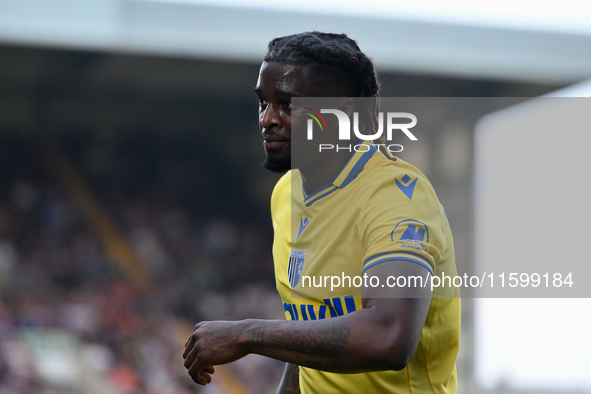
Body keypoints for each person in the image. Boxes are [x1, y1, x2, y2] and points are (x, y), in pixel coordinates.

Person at [183, 31, 461, 394]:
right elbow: (308, 336)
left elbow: (389, 335)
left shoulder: (395, 196)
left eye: (287, 104)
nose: (268, 119)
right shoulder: (285, 193)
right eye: (262, 103)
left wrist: (246, 333)